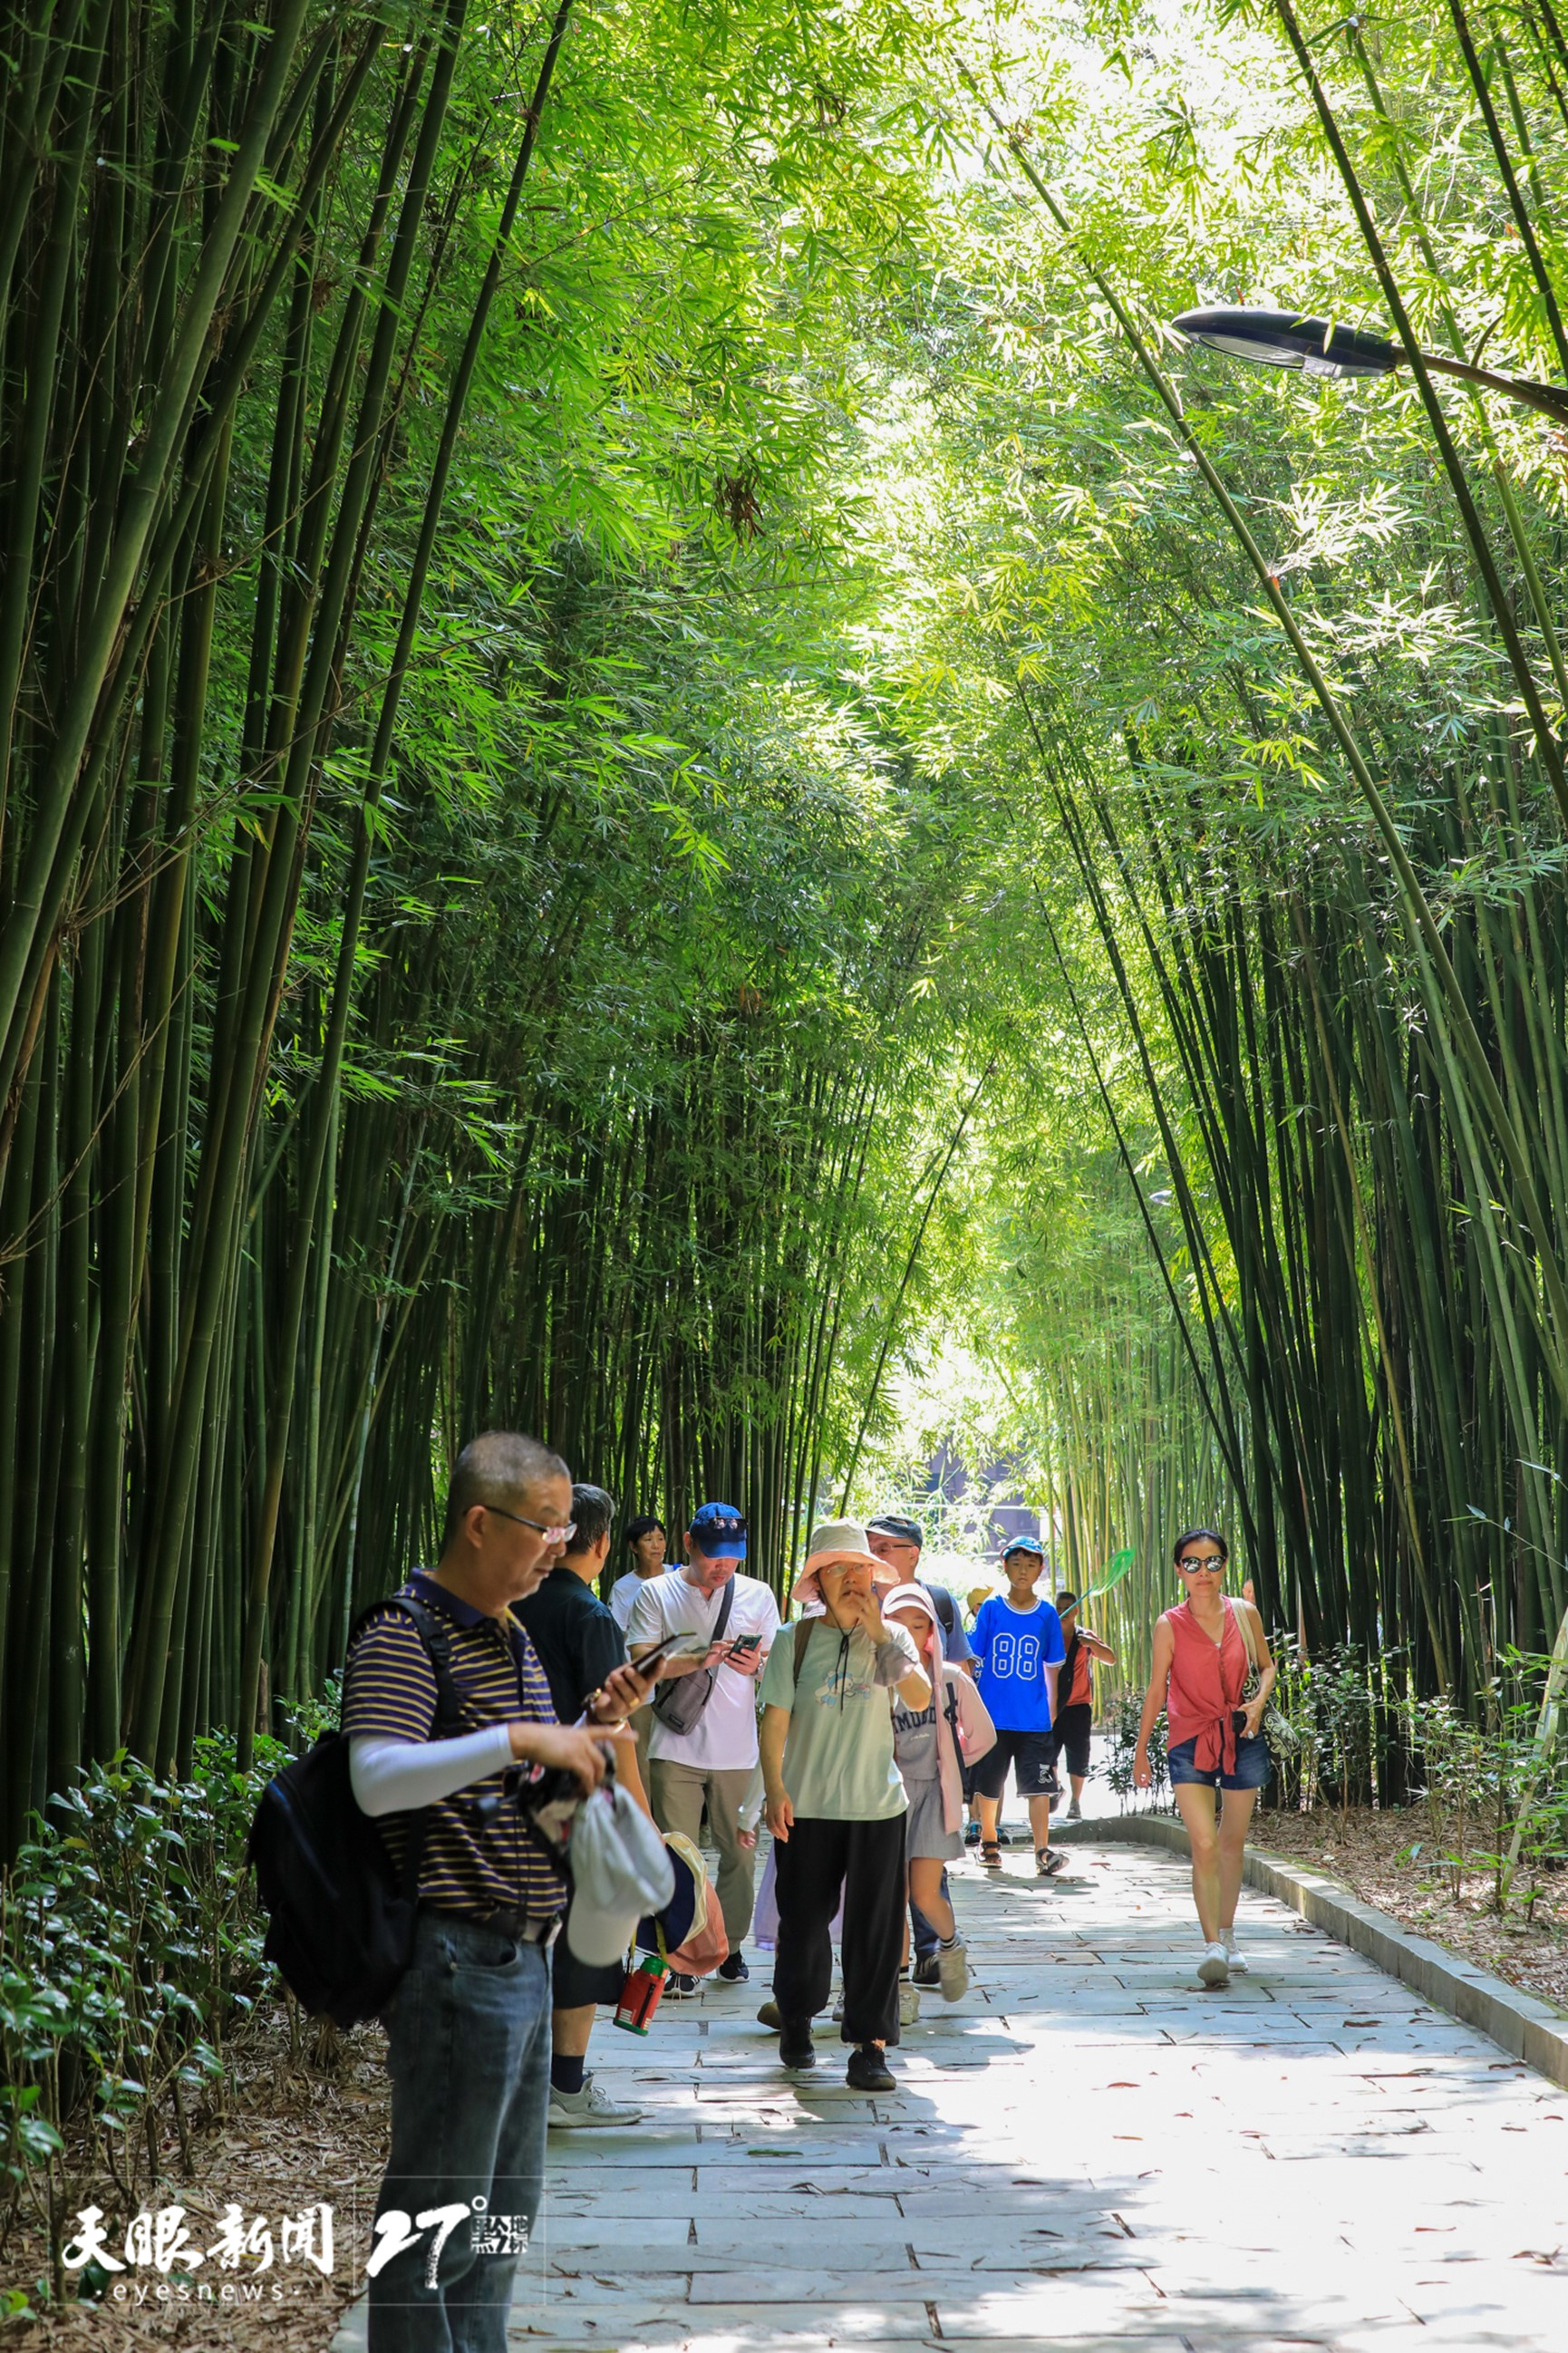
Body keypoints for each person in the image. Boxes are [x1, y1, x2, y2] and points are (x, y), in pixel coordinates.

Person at [343, 1430, 648, 2352]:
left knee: (500, 2223)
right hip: (455, 1959)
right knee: (434, 2227)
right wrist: (522, 1739)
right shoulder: (408, 1629)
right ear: (479, 1522)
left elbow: (516, 1800)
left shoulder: (510, 1635)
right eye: (545, 1527)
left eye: (563, 1530)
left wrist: (586, 1731)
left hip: (522, 1959)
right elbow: (377, 1775)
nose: (558, 1547)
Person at [759, 1521, 930, 2089]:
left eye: (861, 1569)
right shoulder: (794, 1639)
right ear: (819, 1580)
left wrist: (880, 1631)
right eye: (841, 1570)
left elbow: (920, 1697)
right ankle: (799, 2018)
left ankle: (870, 2047)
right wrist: (774, 1788)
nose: (854, 1579)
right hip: (805, 1805)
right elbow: (775, 1717)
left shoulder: (892, 1639)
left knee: (875, 1930)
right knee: (803, 1923)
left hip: (877, 1804)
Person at [515, 1483, 650, 2129]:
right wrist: (641, 1817)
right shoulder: (591, 1617)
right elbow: (612, 1723)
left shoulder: (509, 1601)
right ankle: (565, 2088)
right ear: (600, 1544)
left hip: (503, 1795)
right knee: (581, 1942)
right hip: (575, 1803)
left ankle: (522, 2082)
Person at [628, 1501, 779, 1987]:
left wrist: (753, 1665)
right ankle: (682, 1957)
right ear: (689, 1544)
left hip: (738, 1751)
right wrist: (697, 1658)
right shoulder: (655, 1593)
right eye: (713, 1554)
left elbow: (775, 1670)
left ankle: (730, 1946)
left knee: (738, 1855)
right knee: (678, 1855)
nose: (722, 1565)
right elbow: (640, 1665)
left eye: (732, 1557)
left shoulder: (758, 1595)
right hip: (673, 1747)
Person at [1133, 1526, 1274, 1988]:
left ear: (1224, 1566)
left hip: (1242, 1733)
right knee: (1205, 1843)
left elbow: (1267, 1665)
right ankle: (1212, 1944)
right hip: (1190, 1737)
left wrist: (1258, 1702)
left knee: (1232, 1843)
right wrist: (1141, 1749)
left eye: (1212, 1562)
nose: (1203, 1572)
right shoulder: (1168, 1624)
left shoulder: (1244, 1613)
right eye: (1192, 1563)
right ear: (1179, 1570)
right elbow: (1158, 1689)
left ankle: (1229, 1936)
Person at [866, 1513, 973, 1982]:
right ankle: (896, 1974)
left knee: (926, 1872)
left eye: (885, 1548)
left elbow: (959, 1670)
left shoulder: (940, 1601)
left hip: (929, 1766)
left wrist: (953, 1754)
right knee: (887, 1880)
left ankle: (933, 1949)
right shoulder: (861, 1600)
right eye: (870, 1546)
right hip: (880, 1770)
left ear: (913, 1552)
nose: (875, 1556)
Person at [882, 1583, 995, 2018]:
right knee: (892, 1895)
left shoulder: (950, 1677)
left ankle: (950, 1946)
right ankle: (899, 1992)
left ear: (933, 1629)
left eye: (919, 1624)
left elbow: (984, 1736)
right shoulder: (875, 1677)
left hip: (932, 1793)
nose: (910, 1633)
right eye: (899, 1625)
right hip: (886, 1795)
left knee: (924, 1893)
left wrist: (951, 1759)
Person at [968, 1536, 1066, 1876]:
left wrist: (1051, 1709)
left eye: (1030, 1565)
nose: (1023, 1572)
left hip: (1035, 1719)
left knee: (1040, 1785)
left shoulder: (1047, 1613)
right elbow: (974, 1657)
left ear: (1040, 1569)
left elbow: (1053, 1666)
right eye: (1016, 1564)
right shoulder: (992, 1608)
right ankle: (989, 1840)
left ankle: (1042, 1849)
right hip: (994, 1716)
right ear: (1004, 1565)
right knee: (990, 1783)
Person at [1047, 1591, 1117, 1821]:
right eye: (1059, 1607)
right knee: (1047, 1754)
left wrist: (1091, 1643)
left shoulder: (1083, 1636)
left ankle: (1075, 1802)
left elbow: (1110, 1658)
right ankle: (1055, 1788)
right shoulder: (1048, 1635)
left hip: (1078, 1706)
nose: (1062, 1611)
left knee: (1078, 1756)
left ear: (1076, 1611)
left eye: (1068, 1607)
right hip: (1051, 1706)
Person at [610, 1515, 668, 1632]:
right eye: (648, 1539)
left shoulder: (677, 1576)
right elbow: (616, 1632)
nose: (656, 1545)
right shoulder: (622, 1588)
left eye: (660, 1539)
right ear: (633, 1546)